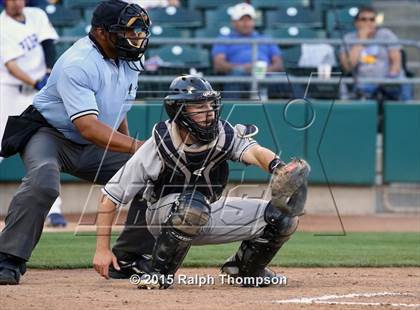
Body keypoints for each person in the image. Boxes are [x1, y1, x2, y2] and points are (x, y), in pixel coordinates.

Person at [93, 75, 310, 289]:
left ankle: (246, 270)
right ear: (179, 110)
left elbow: (255, 152)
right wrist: (102, 250)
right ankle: (158, 273)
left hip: (207, 209)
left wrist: (278, 167)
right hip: (163, 215)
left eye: (211, 105)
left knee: (282, 217)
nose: (209, 112)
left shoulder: (225, 133)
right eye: (198, 107)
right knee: (192, 208)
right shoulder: (159, 144)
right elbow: (110, 197)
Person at [0, 0, 156, 285]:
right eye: (126, 32)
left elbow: (118, 111)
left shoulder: (130, 59)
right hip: (51, 134)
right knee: (43, 181)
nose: (135, 39)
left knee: (154, 173)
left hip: (95, 141)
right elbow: (87, 127)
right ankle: (8, 259)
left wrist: (137, 156)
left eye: (138, 32)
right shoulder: (79, 63)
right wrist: (138, 147)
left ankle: (129, 258)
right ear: (100, 32)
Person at [0, 0, 67, 227]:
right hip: (9, 92)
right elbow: (11, 66)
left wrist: (48, 72)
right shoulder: (2, 26)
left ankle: (54, 210)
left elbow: (48, 44)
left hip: (38, 94)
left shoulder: (36, 14)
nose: (17, 2)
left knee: (49, 146)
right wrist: (37, 82)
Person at [211, 2, 284, 99]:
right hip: (240, 74)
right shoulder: (224, 39)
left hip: (266, 74)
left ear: (254, 21)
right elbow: (219, 65)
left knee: (289, 80)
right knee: (235, 77)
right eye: (241, 19)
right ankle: (229, 113)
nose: (246, 23)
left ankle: (306, 110)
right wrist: (244, 68)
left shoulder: (266, 38)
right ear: (233, 22)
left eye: (249, 19)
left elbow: (279, 64)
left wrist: (264, 70)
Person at [339, 6, 412, 100]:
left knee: (402, 83)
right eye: (363, 19)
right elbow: (347, 67)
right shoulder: (348, 39)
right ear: (356, 23)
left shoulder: (386, 35)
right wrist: (361, 40)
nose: (368, 23)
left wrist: (388, 81)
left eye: (372, 19)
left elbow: (396, 62)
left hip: (389, 79)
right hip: (364, 83)